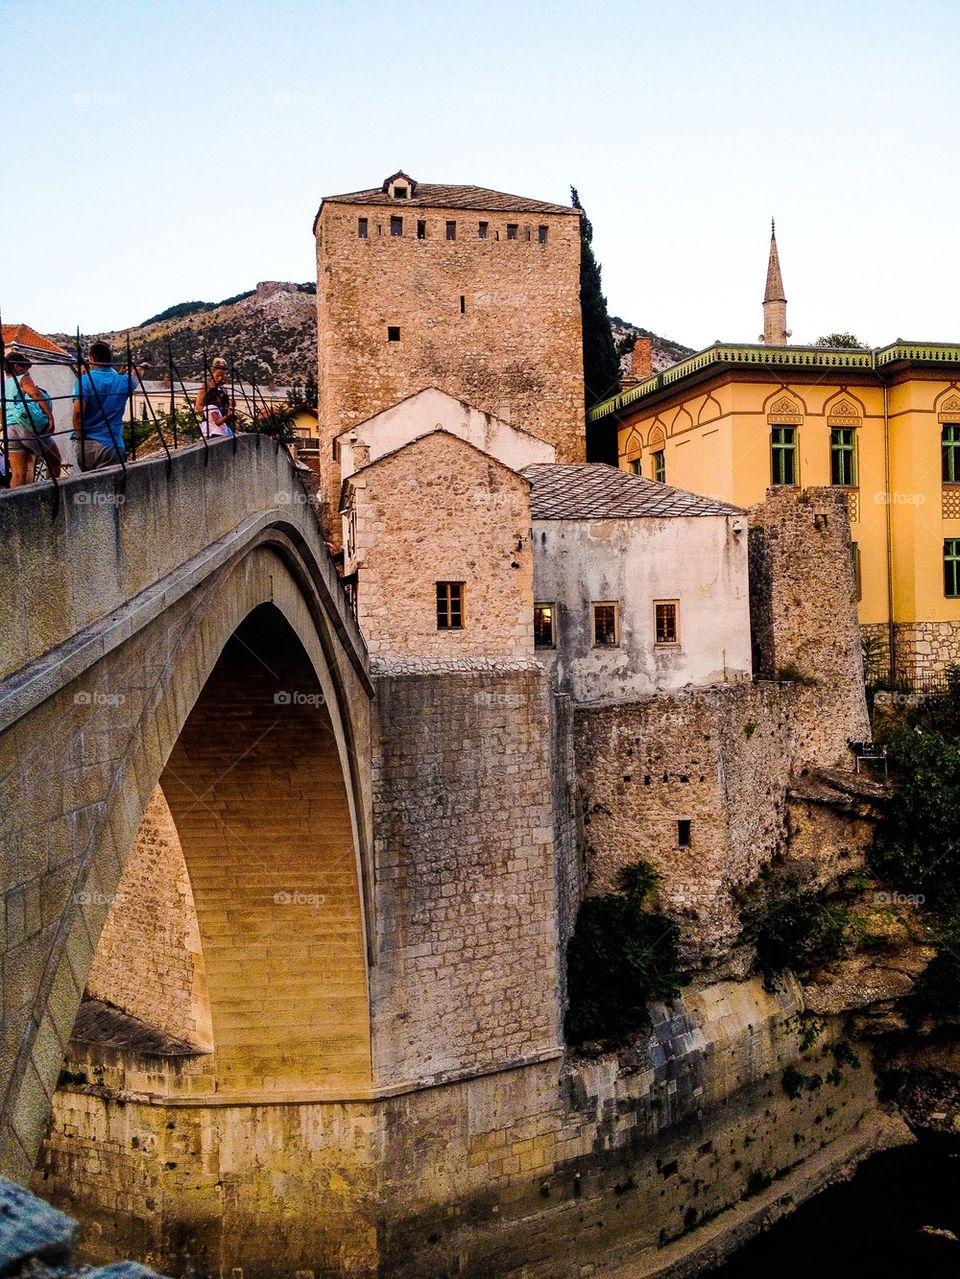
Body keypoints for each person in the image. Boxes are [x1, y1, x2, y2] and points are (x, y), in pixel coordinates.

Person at [72, 341, 134, 471]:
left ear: (92, 358)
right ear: (110, 359)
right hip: (111, 445)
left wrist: (79, 438)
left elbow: (77, 414)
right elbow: (136, 376)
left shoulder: (84, 381)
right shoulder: (123, 381)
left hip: (86, 444)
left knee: (88, 482)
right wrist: (142, 368)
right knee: (112, 483)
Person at [3, 352, 62, 487]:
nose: (27, 372)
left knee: (18, 474)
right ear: (16, 366)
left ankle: (16, 500)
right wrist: (50, 417)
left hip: (10, 430)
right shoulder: (22, 378)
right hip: (25, 426)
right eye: (24, 367)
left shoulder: (2, 386)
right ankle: (49, 494)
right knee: (55, 462)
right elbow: (35, 394)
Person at [195, 356, 234, 438]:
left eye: (222, 376)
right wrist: (211, 414)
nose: (220, 379)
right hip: (210, 424)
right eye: (218, 376)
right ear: (213, 374)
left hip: (223, 422)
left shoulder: (224, 390)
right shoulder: (206, 386)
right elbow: (198, 405)